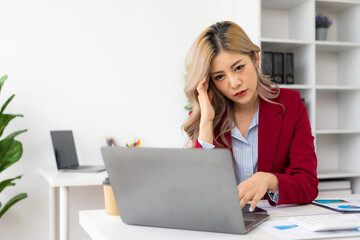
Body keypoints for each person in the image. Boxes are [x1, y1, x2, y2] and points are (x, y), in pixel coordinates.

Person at [182, 21, 318, 211]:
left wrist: (268, 179)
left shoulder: (291, 104)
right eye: (219, 76)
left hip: (273, 225)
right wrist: (206, 123)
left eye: (238, 67)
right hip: (222, 224)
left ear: (255, 58)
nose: (234, 82)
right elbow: (196, 191)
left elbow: (308, 185)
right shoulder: (208, 116)